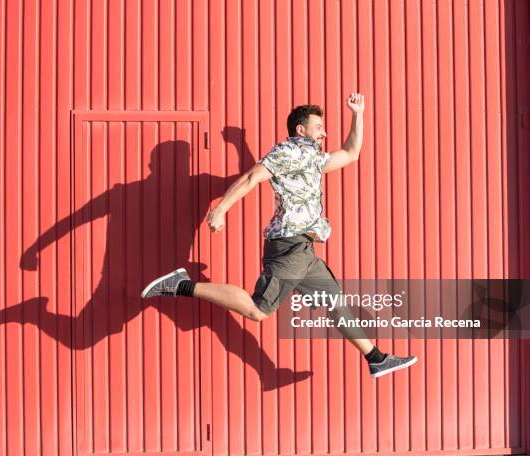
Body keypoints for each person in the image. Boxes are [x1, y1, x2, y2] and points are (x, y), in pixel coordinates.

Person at [142, 94, 417, 378]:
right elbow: (252, 177)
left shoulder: (311, 159)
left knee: (335, 303)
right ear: (301, 130)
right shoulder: (288, 151)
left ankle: (376, 358)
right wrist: (220, 208)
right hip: (290, 246)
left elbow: (350, 153)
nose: (324, 132)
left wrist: (358, 114)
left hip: (305, 251)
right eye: (319, 127)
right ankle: (183, 285)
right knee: (259, 310)